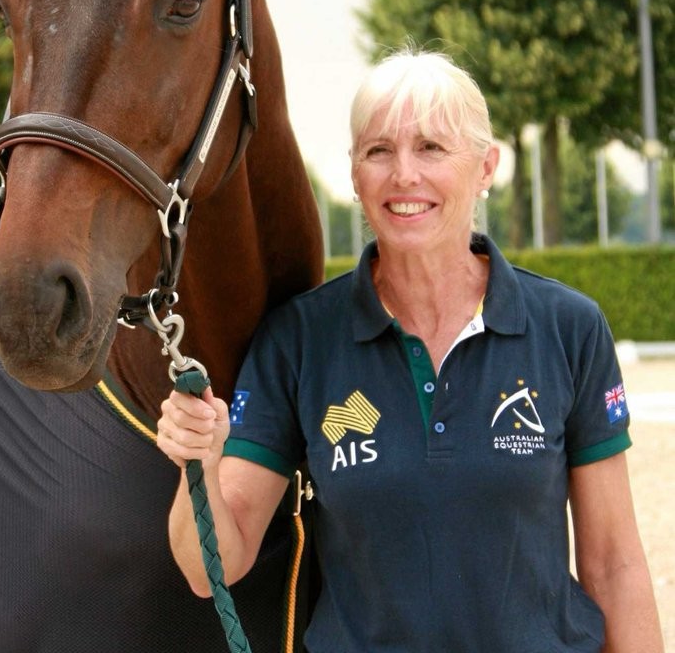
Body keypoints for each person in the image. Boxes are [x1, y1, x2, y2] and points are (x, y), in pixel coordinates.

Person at [156, 48, 663, 652]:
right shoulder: (299, 340)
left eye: (431, 148)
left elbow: (614, 565)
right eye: (379, 151)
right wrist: (201, 462)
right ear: (354, 173)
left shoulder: (569, 329)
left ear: (485, 167)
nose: (404, 175)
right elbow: (211, 566)